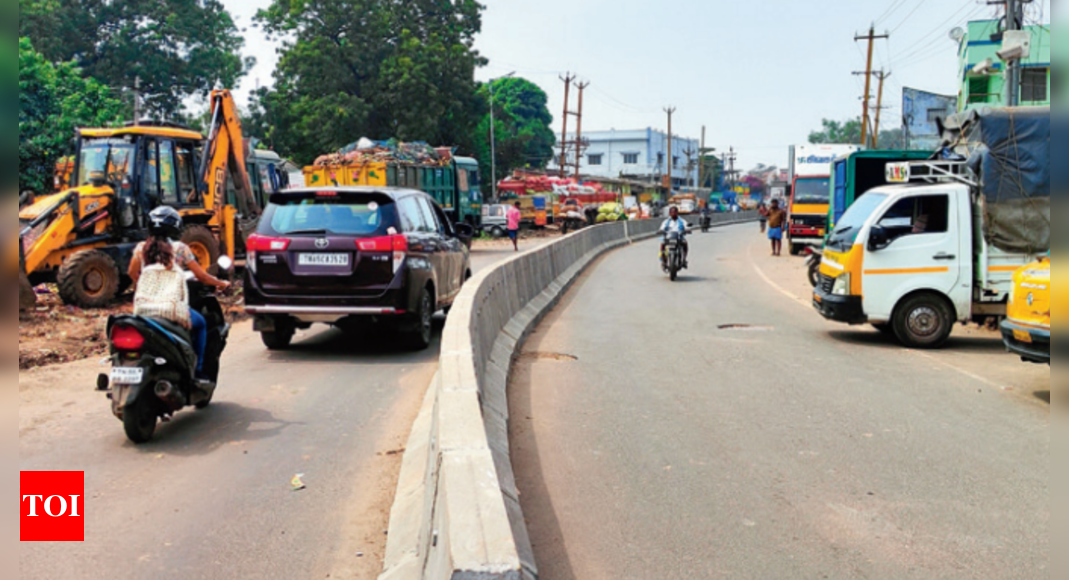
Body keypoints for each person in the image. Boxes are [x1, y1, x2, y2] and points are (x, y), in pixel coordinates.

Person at [128, 207, 230, 379]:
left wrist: (147, 286)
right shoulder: (180, 249)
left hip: (144, 309)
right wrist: (221, 283)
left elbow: (132, 273)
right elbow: (202, 276)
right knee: (201, 324)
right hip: (171, 308)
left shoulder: (140, 249)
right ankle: (198, 370)